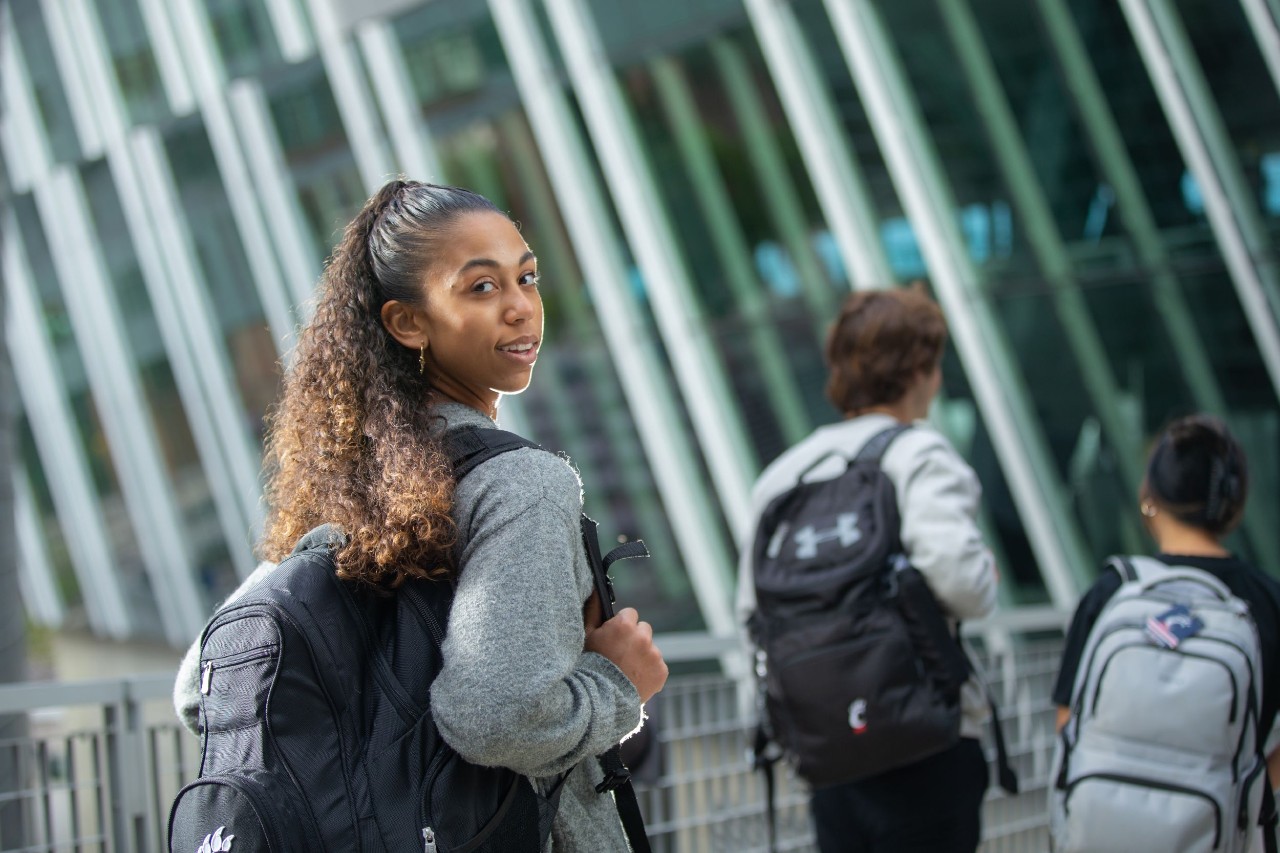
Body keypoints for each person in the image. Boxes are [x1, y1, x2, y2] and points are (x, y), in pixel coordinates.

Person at [173, 179, 668, 850]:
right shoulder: (521, 483)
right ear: (408, 322)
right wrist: (618, 681)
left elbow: (200, 687)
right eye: (482, 288)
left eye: (527, 277)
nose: (521, 308)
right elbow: (495, 717)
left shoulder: (351, 492)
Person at [736, 287, 999, 853]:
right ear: (922, 369)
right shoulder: (918, 455)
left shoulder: (785, 475)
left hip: (829, 747)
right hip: (927, 737)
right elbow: (962, 583)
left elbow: (753, 612)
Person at [1052, 413, 1280, 848]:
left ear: (1149, 496)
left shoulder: (1112, 591)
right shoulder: (1268, 601)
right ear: (1235, 503)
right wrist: (1247, 791)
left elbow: (1069, 722)